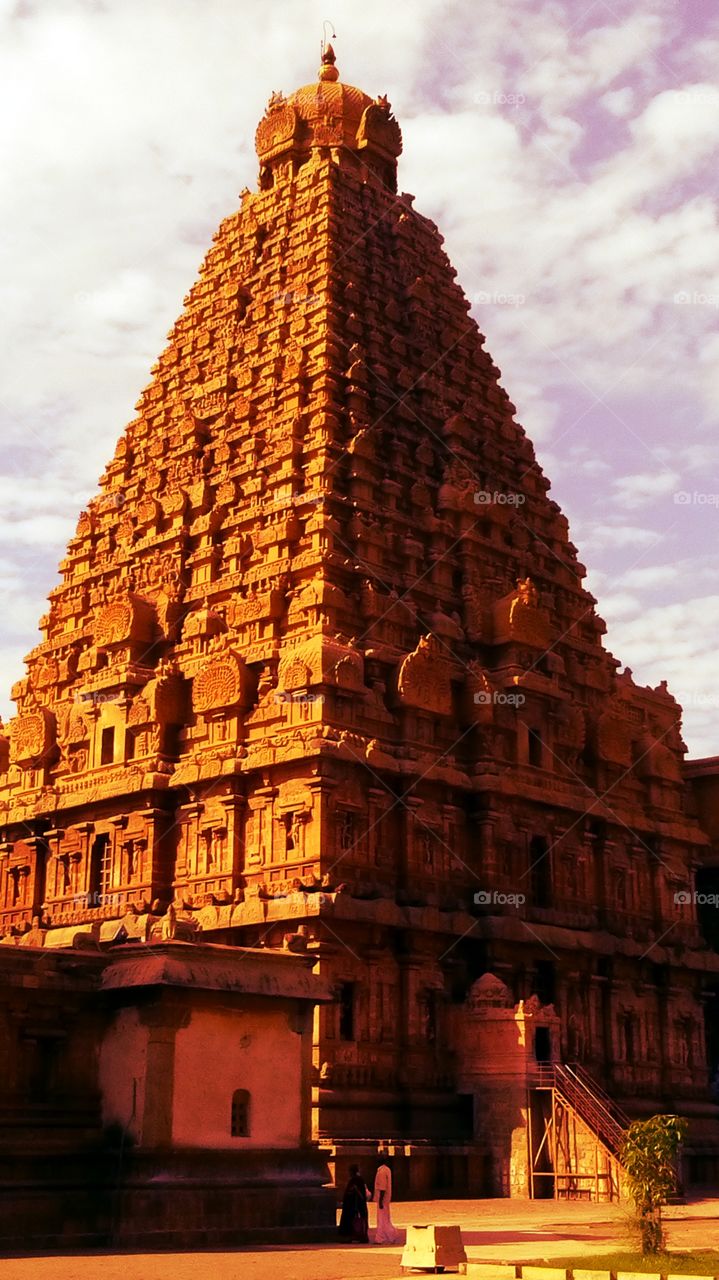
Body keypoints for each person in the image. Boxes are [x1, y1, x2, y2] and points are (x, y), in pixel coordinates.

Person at [337, 1164, 369, 1243]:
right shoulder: (360, 1180)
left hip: (353, 1205)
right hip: (359, 1205)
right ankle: (361, 1236)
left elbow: (351, 1193)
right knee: (361, 1220)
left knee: (351, 1221)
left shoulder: (354, 1181)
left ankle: (351, 1237)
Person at [373, 1158, 402, 1245]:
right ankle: (389, 1235)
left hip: (383, 1199)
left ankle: (381, 1237)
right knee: (385, 1218)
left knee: (382, 1219)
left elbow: (382, 1187)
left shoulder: (381, 1171)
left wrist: (381, 1200)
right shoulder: (387, 1170)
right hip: (385, 1198)